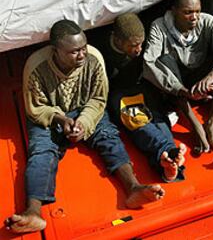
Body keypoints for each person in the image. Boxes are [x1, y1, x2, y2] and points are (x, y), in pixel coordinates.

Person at [5, 20, 165, 234]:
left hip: (84, 111)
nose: (82, 55)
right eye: (74, 52)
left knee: (108, 136)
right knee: (41, 152)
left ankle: (133, 186)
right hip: (51, 116)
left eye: (83, 48)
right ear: (56, 51)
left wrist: (84, 122)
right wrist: (61, 120)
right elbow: (35, 108)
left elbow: (99, 99)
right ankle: (33, 211)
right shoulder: (36, 66)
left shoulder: (94, 58)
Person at [143, 0, 213, 155]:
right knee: (163, 60)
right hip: (177, 86)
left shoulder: (207, 21)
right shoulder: (159, 27)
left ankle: (211, 121)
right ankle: (194, 122)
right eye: (188, 12)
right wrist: (182, 90)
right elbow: (149, 63)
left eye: (197, 11)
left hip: (203, 79)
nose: (194, 17)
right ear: (174, 11)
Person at [90, 13, 186, 183]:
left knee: (157, 118)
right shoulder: (99, 50)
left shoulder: (142, 44)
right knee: (138, 120)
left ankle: (169, 160)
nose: (139, 50)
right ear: (118, 41)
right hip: (119, 95)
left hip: (143, 88)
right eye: (133, 45)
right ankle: (166, 154)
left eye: (141, 44)